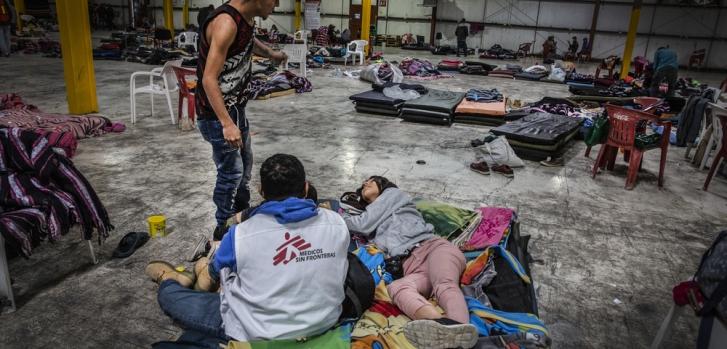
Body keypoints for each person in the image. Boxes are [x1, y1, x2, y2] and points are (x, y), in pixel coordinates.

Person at [146, 154, 350, 342]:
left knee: (172, 298)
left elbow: (210, 278)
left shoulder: (241, 234)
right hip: (324, 322)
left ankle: (169, 279)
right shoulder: (337, 222)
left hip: (257, 332)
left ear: (261, 191)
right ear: (306, 188)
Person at [343, 176, 478, 349]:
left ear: (383, 185)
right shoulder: (372, 215)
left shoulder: (392, 194)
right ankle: (441, 327)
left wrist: (336, 216)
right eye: (363, 185)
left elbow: (361, 225)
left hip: (432, 248)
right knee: (397, 288)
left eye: (372, 180)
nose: (365, 183)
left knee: (444, 284)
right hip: (410, 265)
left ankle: (460, 335)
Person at [195, 0, 287, 241]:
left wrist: (271, 54)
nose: (277, 4)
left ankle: (241, 215)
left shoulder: (243, 19)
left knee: (245, 168)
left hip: (235, 109)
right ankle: (223, 228)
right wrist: (226, 123)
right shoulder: (225, 23)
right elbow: (208, 80)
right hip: (217, 115)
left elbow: (247, 42)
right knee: (231, 173)